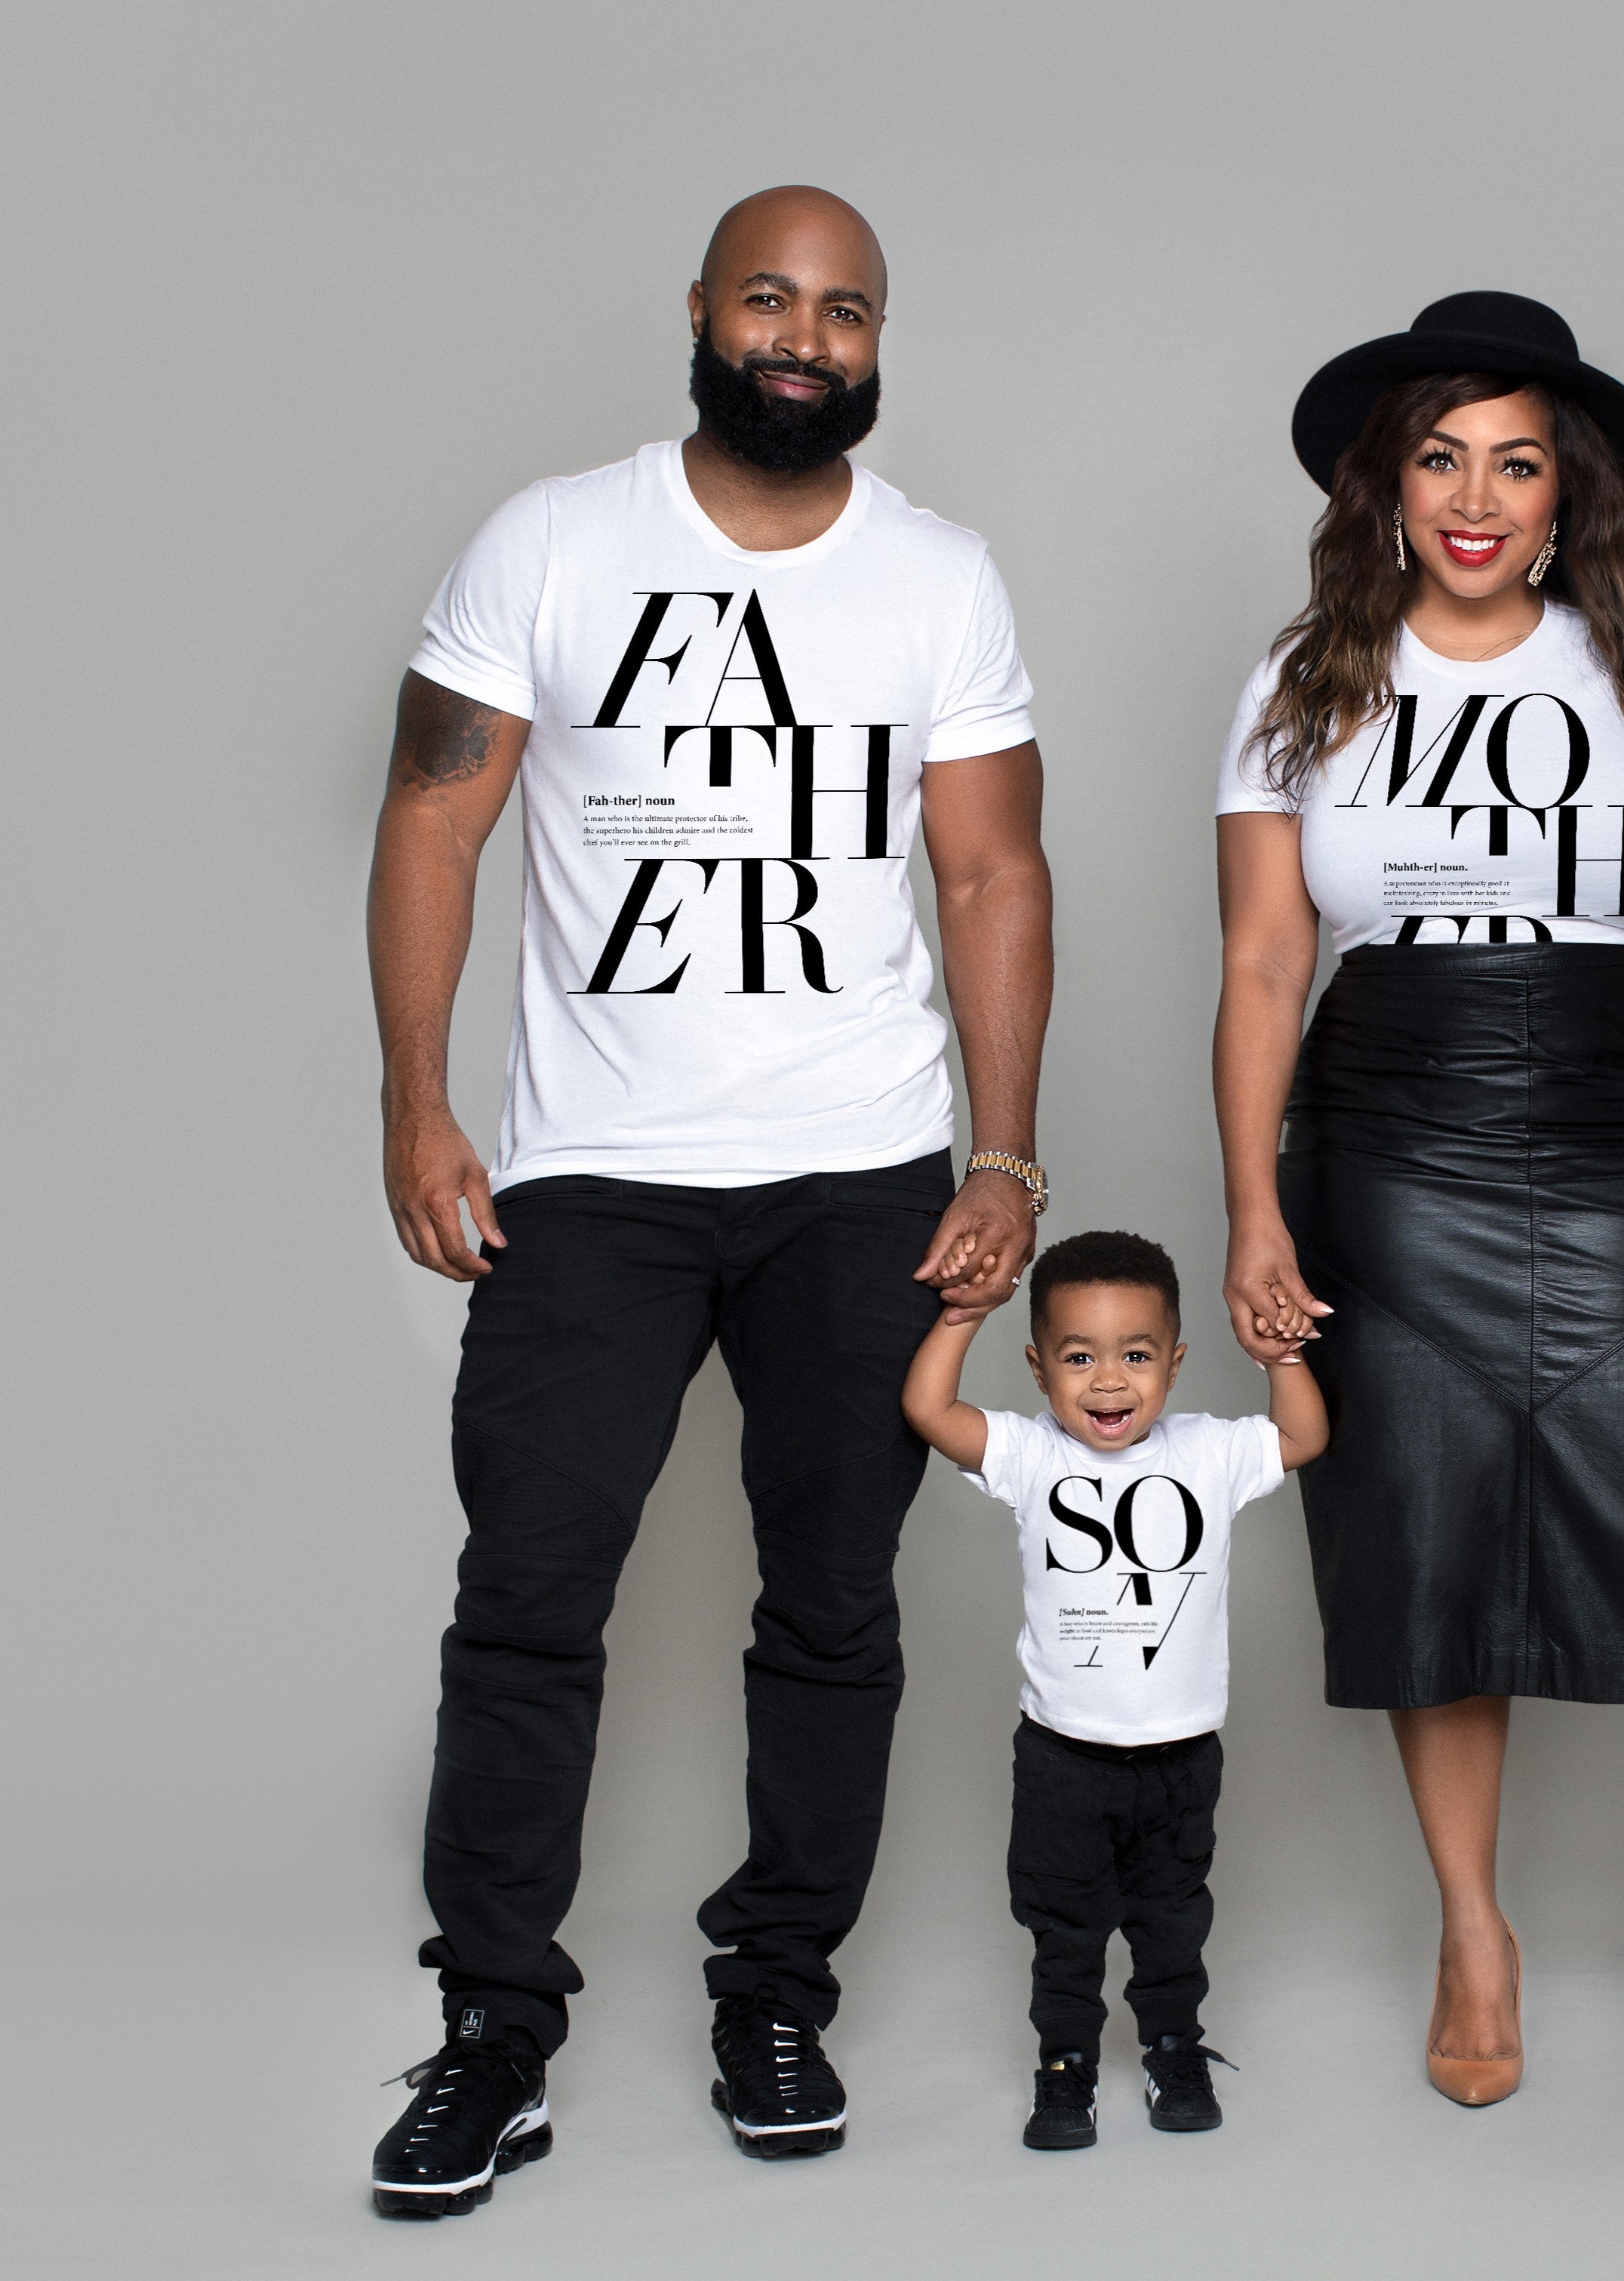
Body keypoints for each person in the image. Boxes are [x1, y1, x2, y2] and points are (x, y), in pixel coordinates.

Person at [364, 186, 1056, 2216]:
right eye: (769, 296)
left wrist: (1000, 1149)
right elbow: (432, 813)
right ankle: (493, 2026)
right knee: (528, 1598)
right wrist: (414, 1097)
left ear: (874, 342)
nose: (803, 337)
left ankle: (777, 1984)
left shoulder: (936, 574)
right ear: (699, 310)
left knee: (835, 1600)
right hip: (595, 1179)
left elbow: (992, 873)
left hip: (864, 1176)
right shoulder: (553, 540)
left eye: (843, 311)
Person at [1212, 294, 1624, 2115]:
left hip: (1610, 1123)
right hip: (1382, 1129)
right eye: (1438, 456)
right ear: (1387, 483)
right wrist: (1252, 1211)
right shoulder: (1300, 679)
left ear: (1566, 494)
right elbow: (1255, 966)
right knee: (1419, 1519)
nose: (1473, 497)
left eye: (1513, 461)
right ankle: (1470, 1926)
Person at [902, 1230, 1327, 2150]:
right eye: (1078, 1357)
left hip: (1180, 1752)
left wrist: (1280, 1355)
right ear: (1039, 1367)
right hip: (1062, 1753)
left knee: (1172, 1918)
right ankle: (1066, 2067)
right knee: (1065, 1926)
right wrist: (963, 1313)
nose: (1107, 1382)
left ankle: (1174, 2044)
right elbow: (929, 1408)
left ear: (1174, 1365)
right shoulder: (1029, 1455)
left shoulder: (1207, 1452)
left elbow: (1303, 1434)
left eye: (1135, 1356)